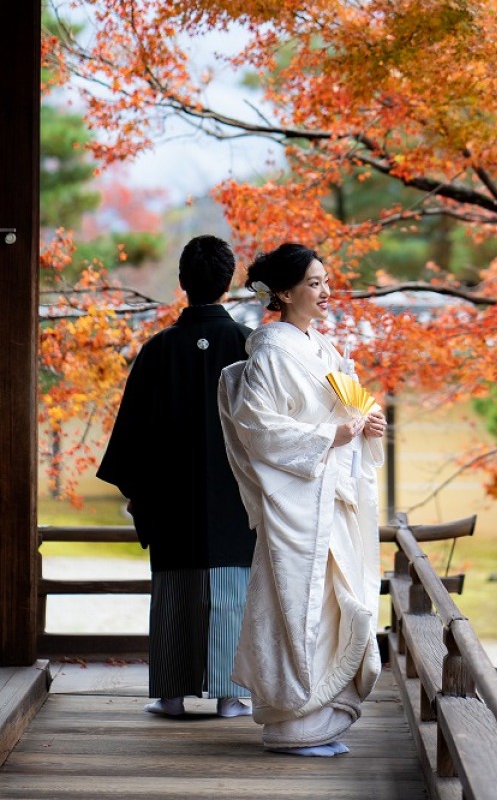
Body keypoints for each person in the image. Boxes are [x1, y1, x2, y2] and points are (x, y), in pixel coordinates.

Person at [218, 242, 387, 756]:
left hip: (328, 494)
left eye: (326, 281)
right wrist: (328, 437)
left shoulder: (325, 348)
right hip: (296, 498)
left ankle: (320, 718)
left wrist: (367, 426)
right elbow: (256, 425)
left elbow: (349, 409)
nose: (325, 291)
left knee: (336, 602)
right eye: (314, 283)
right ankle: (291, 723)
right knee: (299, 604)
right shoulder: (270, 349)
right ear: (285, 293)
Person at [96, 235, 257, 719]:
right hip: (236, 499)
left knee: (173, 592)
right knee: (233, 590)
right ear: (228, 283)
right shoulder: (249, 346)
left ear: (182, 282)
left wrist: (142, 493)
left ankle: (170, 693)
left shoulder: (158, 350)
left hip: (171, 500)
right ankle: (233, 694)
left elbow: (130, 439)